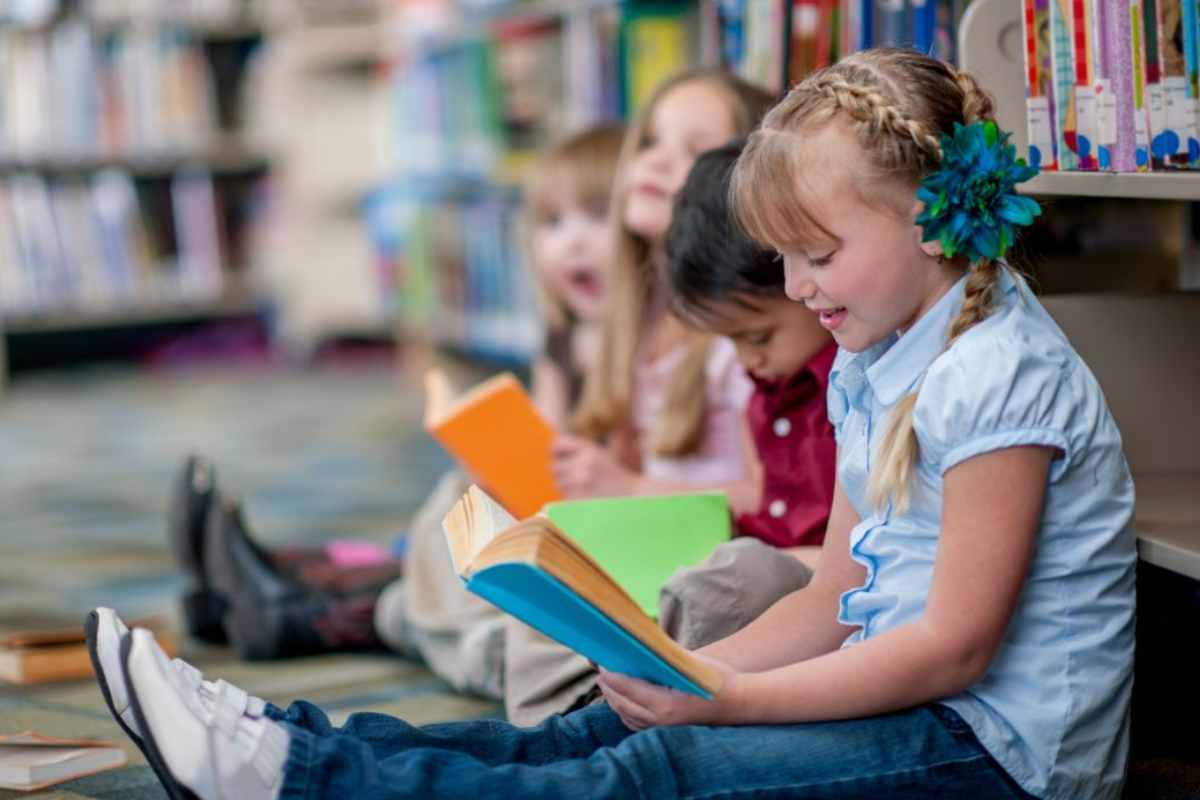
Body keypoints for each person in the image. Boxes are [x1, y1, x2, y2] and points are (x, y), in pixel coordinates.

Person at [98, 48, 1134, 799]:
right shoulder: (871, 354)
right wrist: (686, 668)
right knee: (590, 728)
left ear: (926, 218)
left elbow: (953, 649)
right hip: (918, 705)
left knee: (658, 768)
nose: (795, 287)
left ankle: (296, 781)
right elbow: (837, 590)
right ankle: (288, 745)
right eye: (783, 257)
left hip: (999, 752)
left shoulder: (997, 372)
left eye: (817, 253)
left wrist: (725, 695)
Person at [169, 123, 625, 663]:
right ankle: (274, 576)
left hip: (597, 536)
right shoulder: (562, 340)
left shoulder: (646, 349)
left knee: (441, 562)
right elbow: (548, 454)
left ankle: (293, 599)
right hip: (556, 519)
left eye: (597, 217)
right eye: (553, 223)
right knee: (451, 515)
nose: (573, 241)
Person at [505, 138, 839, 727]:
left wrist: (634, 490)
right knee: (552, 558)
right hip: (728, 552)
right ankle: (582, 696)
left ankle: (599, 702)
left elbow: (842, 560)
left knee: (730, 575)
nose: (746, 359)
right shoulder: (768, 380)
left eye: (756, 339)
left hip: (780, 578)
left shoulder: (842, 382)